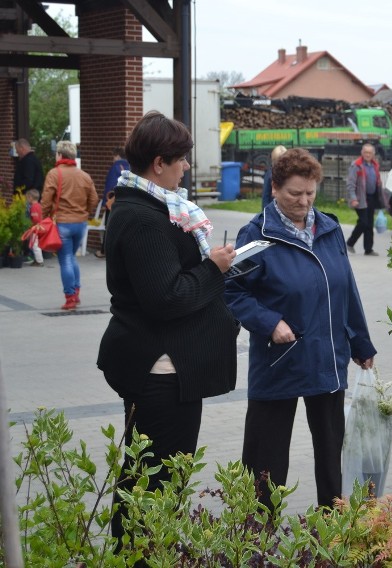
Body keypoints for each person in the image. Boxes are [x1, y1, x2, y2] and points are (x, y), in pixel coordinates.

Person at [96, 111, 238, 545]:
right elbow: (167, 298)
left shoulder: (147, 206)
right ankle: (140, 553)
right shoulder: (143, 218)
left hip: (164, 367)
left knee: (147, 475)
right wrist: (212, 268)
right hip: (160, 373)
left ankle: (137, 551)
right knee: (156, 482)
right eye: (182, 159)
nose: (187, 167)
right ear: (159, 163)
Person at [225, 148, 377, 510]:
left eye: (310, 193)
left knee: (332, 457)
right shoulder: (256, 233)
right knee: (266, 461)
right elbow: (230, 291)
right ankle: (256, 534)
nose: (304, 201)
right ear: (275, 187)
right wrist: (269, 322)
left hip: (327, 358)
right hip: (280, 361)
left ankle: (335, 531)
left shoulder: (329, 228)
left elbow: (346, 290)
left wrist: (361, 342)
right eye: (295, 194)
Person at [40, 140, 98, 310]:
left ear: (59, 154)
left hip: (63, 223)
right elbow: (94, 199)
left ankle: (70, 297)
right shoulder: (84, 175)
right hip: (80, 224)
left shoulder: (54, 173)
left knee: (65, 259)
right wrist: (84, 212)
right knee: (71, 257)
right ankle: (76, 292)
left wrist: (44, 218)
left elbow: (46, 200)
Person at [345, 143, 388, 256]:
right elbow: (350, 184)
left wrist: (382, 199)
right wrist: (353, 198)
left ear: (373, 154)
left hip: (372, 197)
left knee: (369, 224)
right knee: (363, 222)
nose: (368, 154)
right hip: (360, 198)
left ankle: (368, 249)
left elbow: (378, 182)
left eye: (370, 152)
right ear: (362, 153)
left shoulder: (374, 165)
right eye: (366, 152)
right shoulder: (357, 165)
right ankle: (350, 243)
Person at [94, 146, 130, 259]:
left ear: (117, 156)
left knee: (109, 227)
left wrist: (106, 201)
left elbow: (110, 186)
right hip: (127, 201)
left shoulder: (115, 167)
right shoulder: (130, 166)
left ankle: (104, 251)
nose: (113, 159)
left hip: (114, 201)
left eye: (113, 157)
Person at [261, 145, 288, 209]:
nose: (282, 164)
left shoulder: (290, 174)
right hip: (272, 209)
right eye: (279, 161)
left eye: (284, 161)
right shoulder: (270, 174)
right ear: (274, 161)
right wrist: (265, 212)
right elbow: (266, 195)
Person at [24, 188, 44, 267]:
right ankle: (37, 259)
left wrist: (31, 225)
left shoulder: (33, 207)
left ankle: (39, 261)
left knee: (35, 245)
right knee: (36, 244)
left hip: (36, 228)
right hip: (39, 227)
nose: (27, 199)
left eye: (27, 198)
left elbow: (35, 219)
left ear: (31, 198)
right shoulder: (39, 205)